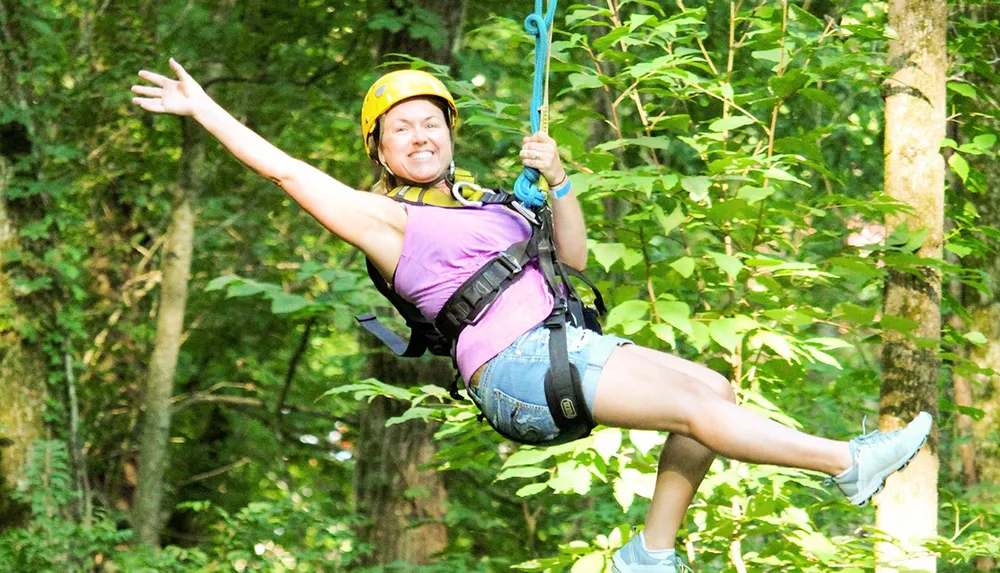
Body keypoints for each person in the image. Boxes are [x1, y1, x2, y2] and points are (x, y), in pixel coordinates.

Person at [131, 59, 932, 573]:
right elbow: (287, 171)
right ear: (379, 150)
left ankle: (649, 557)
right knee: (697, 406)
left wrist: (558, 180)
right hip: (515, 366)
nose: (421, 133)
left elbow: (574, 258)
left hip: (562, 339)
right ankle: (846, 462)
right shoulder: (386, 223)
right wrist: (206, 110)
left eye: (431, 121)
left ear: (450, 133)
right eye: (401, 127)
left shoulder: (489, 202)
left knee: (711, 391)